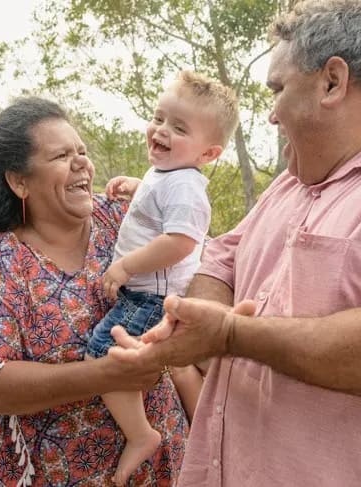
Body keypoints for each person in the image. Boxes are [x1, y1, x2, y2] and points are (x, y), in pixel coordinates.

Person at [109, 0, 361, 485]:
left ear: (332, 82)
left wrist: (232, 336)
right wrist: (201, 326)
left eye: (278, 89)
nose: (273, 115)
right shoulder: (291, 182)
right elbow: (219, 259)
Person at [0, 97, 188, 487]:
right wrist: (102, 374)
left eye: (82, 152)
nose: (81, 164)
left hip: (167, 466)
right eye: (60, 155)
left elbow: (202, 258)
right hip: (63, 474)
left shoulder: (125, 220)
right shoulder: (1, 262)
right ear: (19, 181)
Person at [86, 70, 239, 486]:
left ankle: (141, 435)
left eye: (179, 128)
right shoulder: (169, 175)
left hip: (150, 296)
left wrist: (126, 265)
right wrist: (139, 187)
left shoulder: (187, 186)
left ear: (207, 154)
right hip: (153, 294)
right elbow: (160, 206)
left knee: (103, 353)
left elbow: (181, 241)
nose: (161, 130)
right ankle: (203, 429)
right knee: (180, 364)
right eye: (159, 118)